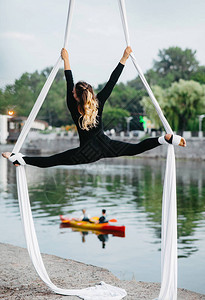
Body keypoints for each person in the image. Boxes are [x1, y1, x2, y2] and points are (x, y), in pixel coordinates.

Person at [2, 47, 186, 167]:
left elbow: (68, 80)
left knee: (54, 160)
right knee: (135, 148)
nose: (72, 93)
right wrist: (124, 58)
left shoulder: (73, 107)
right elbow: (112, 82)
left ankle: (19, 159)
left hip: (86, 154)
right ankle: (164, 139)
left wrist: (66, 59)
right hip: (107, 146)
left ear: (75, 95)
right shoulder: (98, 102)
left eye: (73, 93)